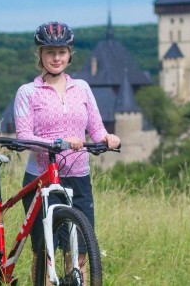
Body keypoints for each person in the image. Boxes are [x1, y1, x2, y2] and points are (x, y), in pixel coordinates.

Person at [13, 21, 120, 281]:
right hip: (43, 178)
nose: (56, 57)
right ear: (40, 55)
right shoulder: (28, 92)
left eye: (61, 51)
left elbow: (95, 127)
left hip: (78, 178)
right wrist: (59, 141)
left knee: (79, 254)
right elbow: (25, 136)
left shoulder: (81, 88)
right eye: (50, 52)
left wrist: (107, 137)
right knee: (45, 254)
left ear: (70, 54)